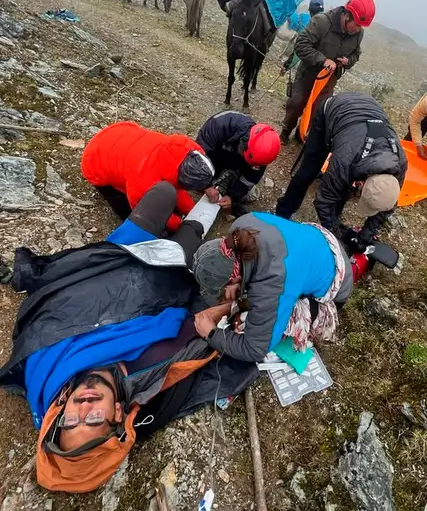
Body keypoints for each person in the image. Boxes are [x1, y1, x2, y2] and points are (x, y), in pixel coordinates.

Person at [0, 183, 256, 493]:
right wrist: (233, 307)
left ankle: (201, 199)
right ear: (118, 415)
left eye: (70, 422)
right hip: (171, 280)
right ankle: (209, 204)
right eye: (94, 420)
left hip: (122, 258)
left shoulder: (44, 366)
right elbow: (201, 327)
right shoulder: (155, 380)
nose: (83, 408)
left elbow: (51, 307)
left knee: (164, 192)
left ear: (60, 414)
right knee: (193, 240)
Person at [191, 211, 354, 363]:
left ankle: (316, 309)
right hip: (319, 241)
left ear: (234, 278)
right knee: (253, 301)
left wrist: (211, 333)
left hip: (338, 279)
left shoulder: (273, 280)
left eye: (225, 287)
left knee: (247, 322)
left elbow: (254, 350)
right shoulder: (240, 227)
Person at [275, 92, 406, 243]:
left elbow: (388, 205)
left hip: (363, 117)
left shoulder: (400, 164)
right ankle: (282, 214)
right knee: (307, 173)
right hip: (333, 110)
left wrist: (365, 236)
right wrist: (337, 240)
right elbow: (324, 201)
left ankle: (335, 219)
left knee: (343, 187)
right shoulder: (345, 161)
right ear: (360, 183)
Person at [81, 121, 216, 232]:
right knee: (128, 211)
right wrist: (180, 226)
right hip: (94, 162)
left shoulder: (177, 149)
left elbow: (177, 187)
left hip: (118, 134)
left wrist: (192, 211)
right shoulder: (143, 179)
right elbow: (150, 212)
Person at [279, 0, 375, 143]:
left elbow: (356, 54)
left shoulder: (358, 33)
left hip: (328, 82)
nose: (357, 29)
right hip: (307, 75)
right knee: (296, 104)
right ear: (346, 15)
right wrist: (323, 60)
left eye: (360, 26)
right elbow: (301, 45)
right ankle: (285, 132)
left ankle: (301, 134)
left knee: (317, 111)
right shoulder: (322, 22)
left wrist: (348, 61)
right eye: (356, 24)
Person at [196, 111, 281, 215]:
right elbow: (199, 158)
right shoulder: (218, 126)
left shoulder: (262, 152)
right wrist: (206, 185)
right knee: (197, 181)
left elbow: (251, 178)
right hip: (215, 157)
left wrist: (232, 196)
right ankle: (216, 177)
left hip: (233, 161)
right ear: (243, 144)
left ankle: (231, 176)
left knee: (247, 193)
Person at [279, 0, 325, 76]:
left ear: (310, 11)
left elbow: (299, 51)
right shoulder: (327, 21)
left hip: (313, 68)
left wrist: (286, 67)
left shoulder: (310, 24)